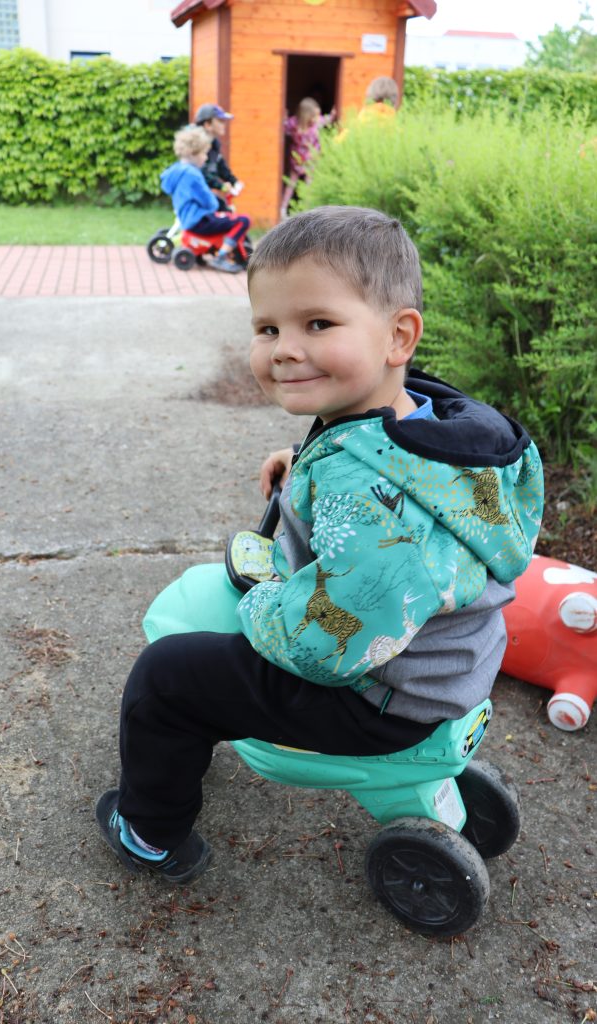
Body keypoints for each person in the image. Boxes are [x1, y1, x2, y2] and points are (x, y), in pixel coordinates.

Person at [96, 206, 543, 883]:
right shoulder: (444, 432)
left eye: (318, 325)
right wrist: (304, 464)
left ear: (398, 336)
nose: (283, 348)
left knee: (166, 678)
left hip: (376, 695)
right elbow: (376, 457)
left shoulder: (374, 508)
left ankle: (150, 833)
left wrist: (265, 597)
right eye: (267, 328)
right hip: (447, 664)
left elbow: (328, 644)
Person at [160, 126, 250, 274]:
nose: (206, 158)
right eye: (204, 153)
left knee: (224, 218)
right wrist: (216, 202)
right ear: (193, 153)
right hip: (199, 221)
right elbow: (210, 202)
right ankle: (221, 256)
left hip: (187, 220)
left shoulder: (176, 171)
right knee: (243, 220)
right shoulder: (193, 175)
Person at [281, 97, 335, 219]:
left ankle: (306, 209)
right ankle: (283, 209)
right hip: (299, 161)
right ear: (307, 115)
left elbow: (327, 120)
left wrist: (332, 114)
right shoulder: (296, 123)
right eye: (314, 116)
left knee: (307, 186)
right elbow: (284, 126)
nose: (317, 118)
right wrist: (283, 117)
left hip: (309, 161)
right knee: (292, 184)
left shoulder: (308, 123)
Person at [193, 103, 243, 210]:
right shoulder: (194, 145)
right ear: (207, 124)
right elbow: (201, 174)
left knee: (225, 209)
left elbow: (220, 166)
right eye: (220, 121)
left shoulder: (214, 144)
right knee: (222, 208)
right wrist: (221, 186)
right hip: (193, 197)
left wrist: (234, 181)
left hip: (205, 194)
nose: (224, 124)